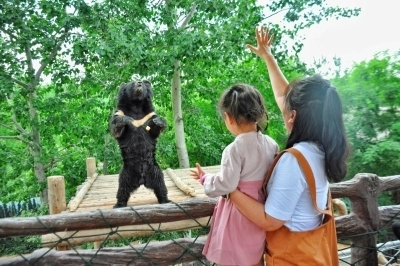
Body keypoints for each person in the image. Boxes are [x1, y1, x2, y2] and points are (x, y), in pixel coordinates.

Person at [229, 27, 350, 265]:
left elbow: (270, 220)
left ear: (293, 116)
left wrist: (230, 190)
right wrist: (268, 58)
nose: (280, 105)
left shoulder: (295, 160)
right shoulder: (321, 150)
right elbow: (285, 98)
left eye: (286, 107)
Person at [190, 83, 279, 266]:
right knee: (254, 256)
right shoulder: (271, 144)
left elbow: (227, 184)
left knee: (235, 258)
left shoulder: (234, 149)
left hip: (240, 212)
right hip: (261, 208)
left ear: (228, 118)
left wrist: (205, 178)